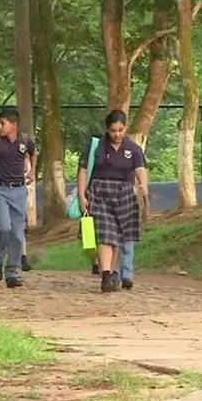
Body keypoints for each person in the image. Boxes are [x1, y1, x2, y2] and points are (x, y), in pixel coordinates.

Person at [78, 110, 149, 292]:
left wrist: (143, 185)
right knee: (105, 233)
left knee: (117, 236)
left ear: (125, 128)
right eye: (113, 130)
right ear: (107, 129)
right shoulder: (96, 147)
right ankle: (106, 274)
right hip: (99, 193)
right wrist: (81, 195)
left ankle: (112, 273)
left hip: (123, 194)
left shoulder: (133, 149)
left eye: (120, 130)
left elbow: (140, 168)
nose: (117, 134)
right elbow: (83, 171)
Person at [0, 108, 37, 288]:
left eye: (3, 124)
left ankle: (13, 273)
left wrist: (32, 171)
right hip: (0, 189)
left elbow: (33, 153)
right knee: (3, 227)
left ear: (14, 125)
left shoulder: (25, 140)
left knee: (17, 234)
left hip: (19, 190)